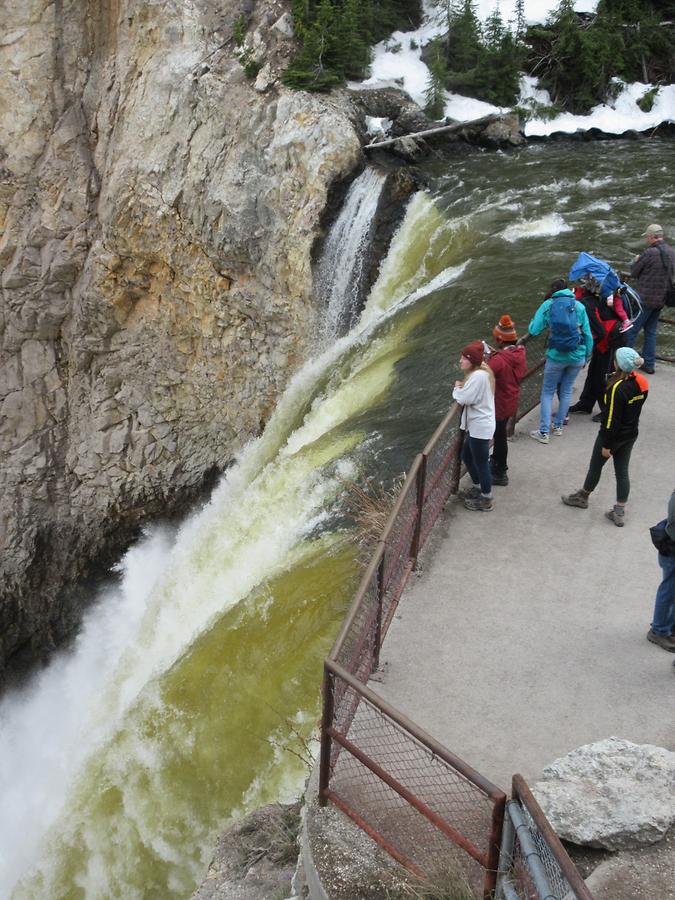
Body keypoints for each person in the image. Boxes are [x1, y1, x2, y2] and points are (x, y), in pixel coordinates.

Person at [561, 347, 648, 526]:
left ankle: (583, 497)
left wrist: (607, 445)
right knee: (622, 472)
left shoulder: (617, 388)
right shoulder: (642, 382)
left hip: (612, 437)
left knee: (595, 466)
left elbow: (610, 420)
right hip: (630, 434)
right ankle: (619, 510)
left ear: (617, 364)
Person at [528, 278, 593, 444]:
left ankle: (543, 432)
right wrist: (586, 356)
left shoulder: (549, 305)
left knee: (548, 392)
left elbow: (534, 330)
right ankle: (558, 427)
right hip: (577, 355)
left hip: (556, 356)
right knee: (566, 390)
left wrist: (531, 324)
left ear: (553, 291)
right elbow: (588, 335)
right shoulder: (579, 306)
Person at [568, 278, 627, 419]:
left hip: (610, 339)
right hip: (605, 338)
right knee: (594, 372)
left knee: (604, 375)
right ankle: (586, 403)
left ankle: (608, 411)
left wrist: (588, 345)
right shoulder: (591, 298)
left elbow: (599, 332)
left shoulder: (585, 304)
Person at [452, 341, 496, 512]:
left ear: (471, 361)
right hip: (479, 425)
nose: (460, 361)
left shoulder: (478, 376)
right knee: (467, 456)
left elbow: (463, 398)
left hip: (480, 427)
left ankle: (486, 498)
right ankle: (478, 487)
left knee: (481, 462)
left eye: (463, 358)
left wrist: (456, 389)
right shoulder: (481, 373)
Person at [627, 223, 675, 374]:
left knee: (632, 330)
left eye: (647, 236)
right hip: (661, 299)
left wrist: (636, 260)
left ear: (650, 237)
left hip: (645, 300)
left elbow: (634, 272)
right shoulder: (671, 252)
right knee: (651, 331)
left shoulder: (650, 253)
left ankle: (625, 362)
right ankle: (649, 363)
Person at [486, 315, 527, 486]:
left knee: (499, 436)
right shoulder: (519, 353)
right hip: (511, 399)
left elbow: (485, 373)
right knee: (501, 434)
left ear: (500, 340)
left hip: (500, 403)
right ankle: (497, 463)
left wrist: (487, 358)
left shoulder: (499, 360)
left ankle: (499, 471)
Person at [647, 490, 675, 652]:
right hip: (672, 551)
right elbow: (673, 528)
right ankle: (658, 631)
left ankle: (669, 626)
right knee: (669, 591)